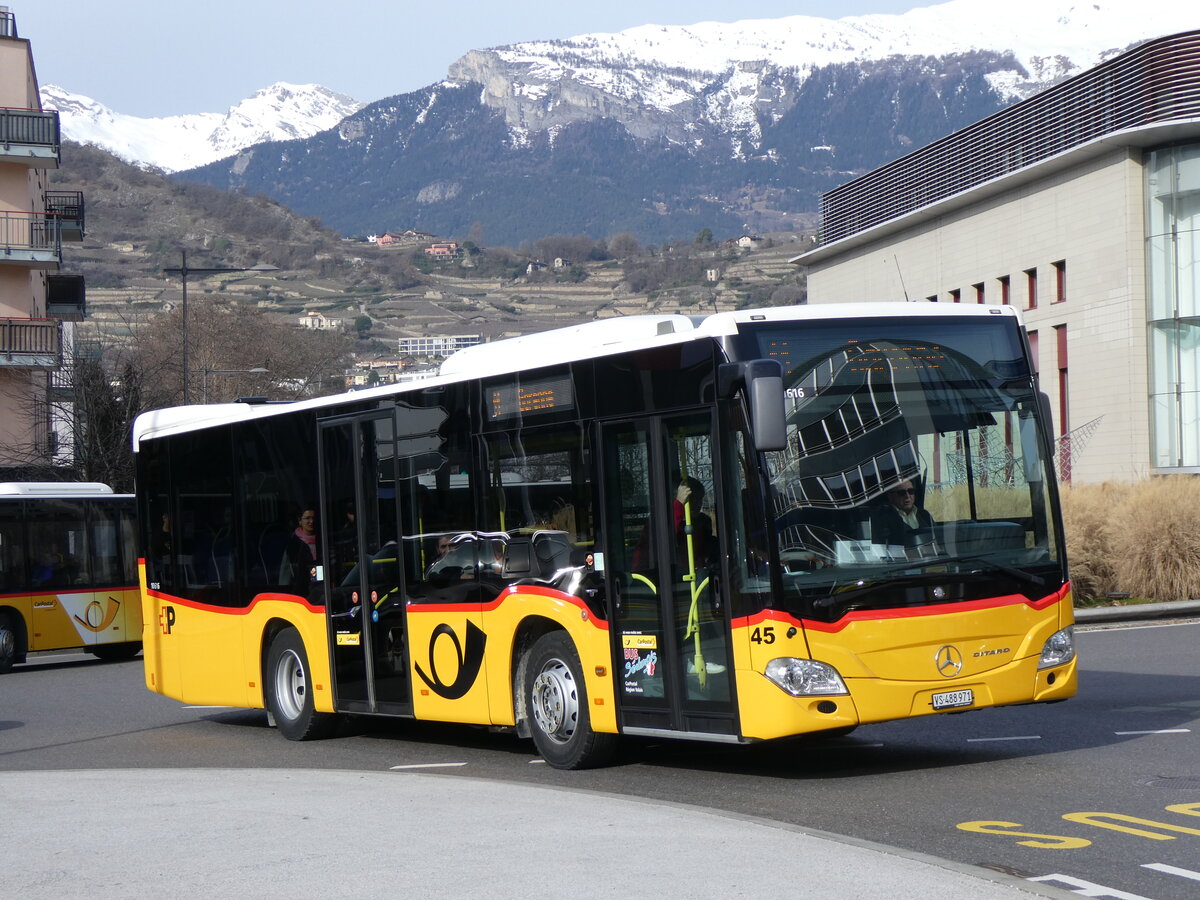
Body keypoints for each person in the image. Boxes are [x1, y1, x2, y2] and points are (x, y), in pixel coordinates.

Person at [871, 480, 935, 548]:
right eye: (901, 493)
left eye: (911, 491)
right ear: (890, 496)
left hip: (930, 556)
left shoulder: (924, 514)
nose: (907, 496)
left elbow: (937, 537)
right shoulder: (882, 518)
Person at [282, 507, 318, 591]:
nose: (311, 521)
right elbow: (286, 573)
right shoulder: (293, 544)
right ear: (300, 521)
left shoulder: (323, 539)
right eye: (307, 518)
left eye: (313, 518)